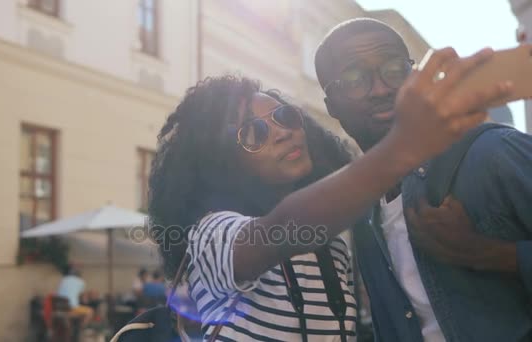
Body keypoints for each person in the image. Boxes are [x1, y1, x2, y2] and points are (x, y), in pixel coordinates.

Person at [147, 57, 511, 340]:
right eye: (255, 132)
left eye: (284, 116)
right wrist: (403, 144)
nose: (282, 133)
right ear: (221, 162)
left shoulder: (334, 238)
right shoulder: (210, 234)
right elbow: (284, 229)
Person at [314, 18, 532, 342]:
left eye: (393, 69)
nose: (382, 89)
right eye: (355, 78)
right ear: (331, 105)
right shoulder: (362, 214)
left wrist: (489, 253)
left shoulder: (493, 152)